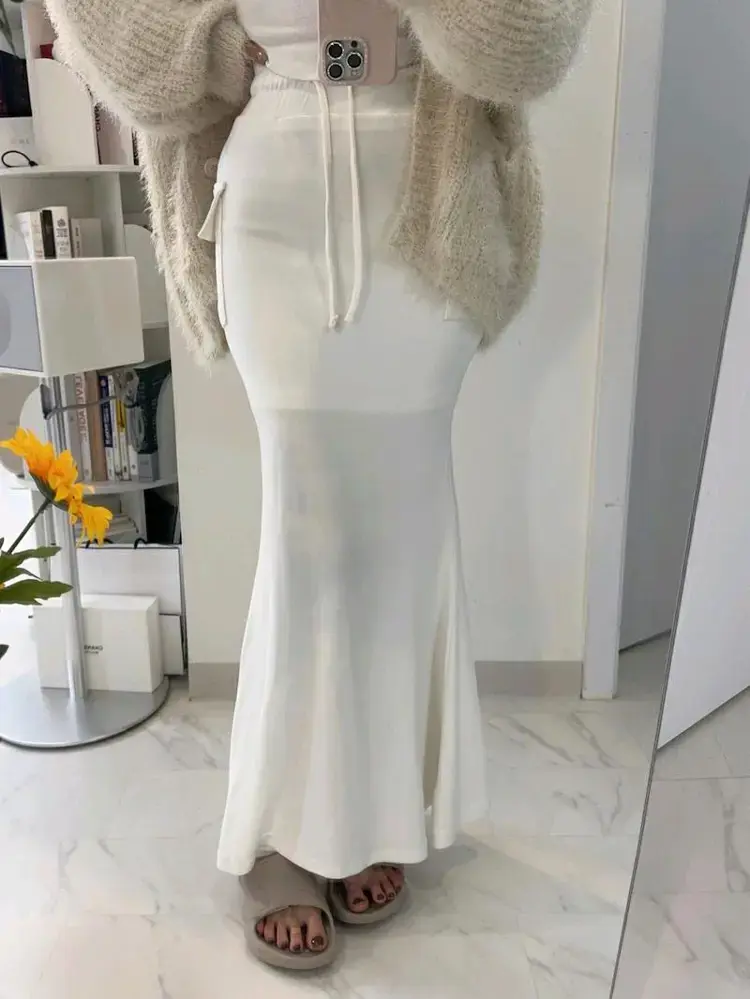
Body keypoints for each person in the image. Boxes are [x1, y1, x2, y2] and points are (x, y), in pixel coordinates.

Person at [46, 0, 593, 971]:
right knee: (310, 534)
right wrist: (211, 49)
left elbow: (530, 42)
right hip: (276, 193)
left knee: (405, 524)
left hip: (430, 201)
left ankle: (375, 807)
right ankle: (280, 830)